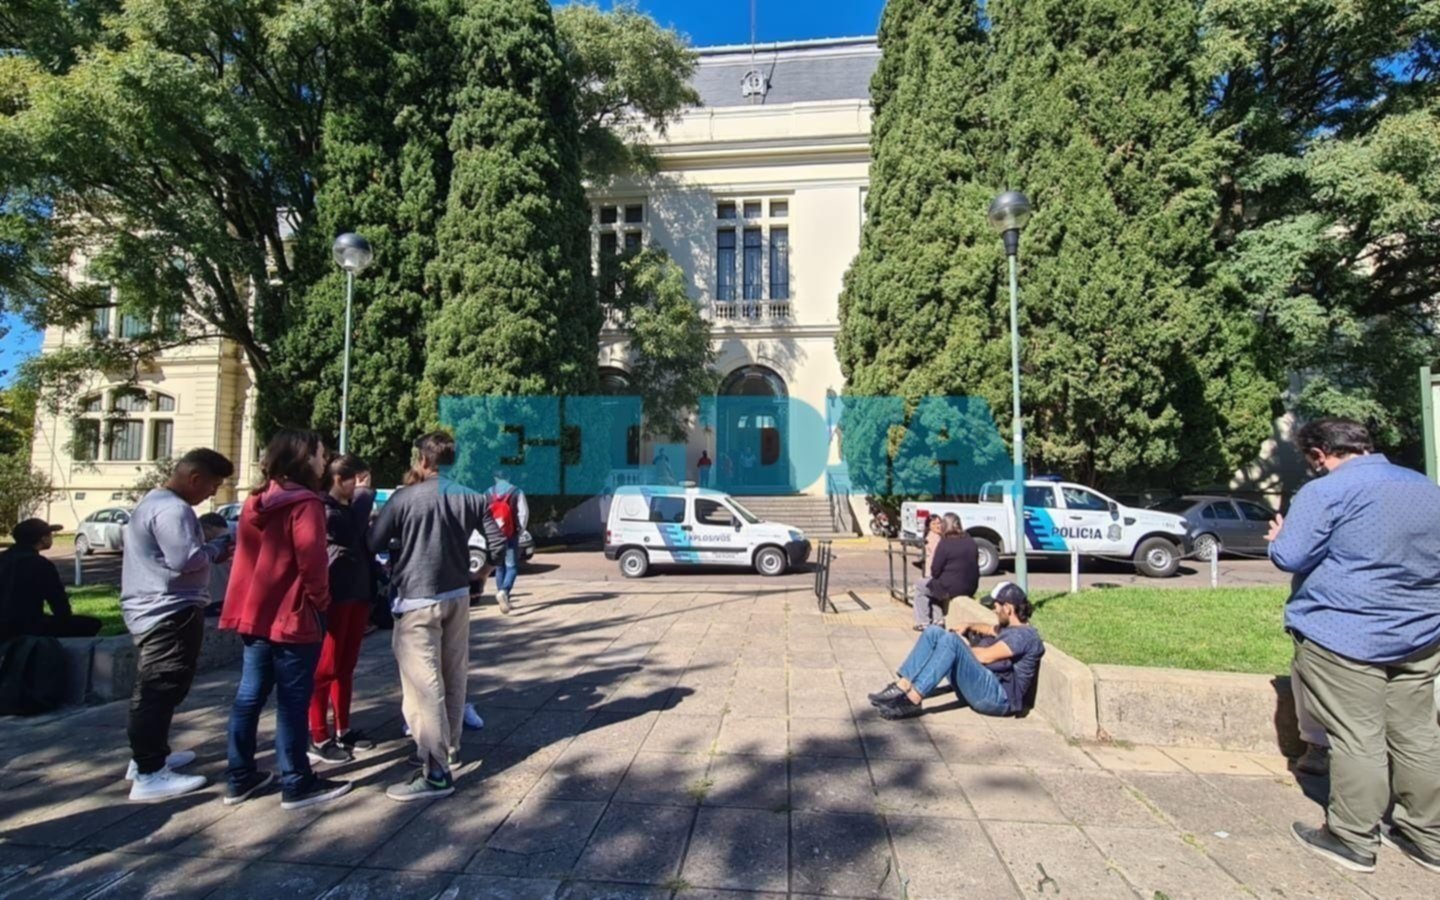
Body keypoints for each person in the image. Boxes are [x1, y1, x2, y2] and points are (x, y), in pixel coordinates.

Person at [1268, 417, 1440, 875]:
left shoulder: (1326, 492)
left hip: (1345, 634)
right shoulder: (1426, 488)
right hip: (1421, 633)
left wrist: (1280, 536)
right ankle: (1427, 837)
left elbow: (1290, 556)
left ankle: (1351, 838)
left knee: (1356, 735)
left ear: (1319, 455)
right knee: (1419, 734)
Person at [221, 429, 351, 811]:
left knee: (249, 696)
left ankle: (239, 776)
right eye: (320, 453)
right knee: (293, 701)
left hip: (254, 614)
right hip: (293, 616)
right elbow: (312, 563)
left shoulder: (255, 501)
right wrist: (321, 601)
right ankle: (296, 780)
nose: (324, 461)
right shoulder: (305, 503)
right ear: (303, 457)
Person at [371, 431, 504, 801]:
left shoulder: (403, 499)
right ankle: (452, 747)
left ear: (422, 460)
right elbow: (497, 544)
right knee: (453, 674)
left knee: (422, 687)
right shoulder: (471, 497)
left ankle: (435, 771)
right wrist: (479, 575)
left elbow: (375, 542)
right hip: (457, 596)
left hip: (416, 598)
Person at [120, 449, 235, 802]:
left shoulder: (154, 502)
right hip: (167, 609)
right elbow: (185, 559)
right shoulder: (174, 509)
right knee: (160, 686)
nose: (212, 494)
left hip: (157, 605)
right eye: (212, 485)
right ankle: (150, 771)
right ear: (194, 478)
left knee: (163, 687)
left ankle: (149, 755)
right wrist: (217, 548)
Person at [869, 581, 1044, 721]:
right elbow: (991, 629)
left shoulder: (1023, 637)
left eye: (996, 606)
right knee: (934, 632)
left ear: (1008, 608)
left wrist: (956, 650)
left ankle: (913, 699)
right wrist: (969, 625)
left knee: (951, 642)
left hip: (998, 698)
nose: (993, 610)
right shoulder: (1010, 627)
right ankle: (902, 686)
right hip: (984, 687)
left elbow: (985, 656)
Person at [307, 454, 377, 764]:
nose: (362, 487)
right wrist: (363, 496)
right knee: (326, 667)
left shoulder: (348, 509)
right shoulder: (325, 508)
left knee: (345, 666)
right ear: (339, 479)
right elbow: (347, 534)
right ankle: (318, 734)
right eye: (358, 481)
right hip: (337, 594)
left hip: (357, 591)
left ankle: (343, 728)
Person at [0, 518, 102, 639]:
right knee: (92, 625)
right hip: (27, 627)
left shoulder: (4, 559)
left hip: (4, 624)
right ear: (43, 538)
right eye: (50, 534)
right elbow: (58, 601)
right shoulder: (40, 564)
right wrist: (65, 621)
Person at [912, 513, 979, 631]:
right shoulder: (971, 542)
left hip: (950, 588)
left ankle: (923, 622)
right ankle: (939, 620)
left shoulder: (945, 543)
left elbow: (935, 570)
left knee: (920, 586)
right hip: (971, 586)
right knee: (933, 586)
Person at [484, 469, 528, 616]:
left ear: (495, 478)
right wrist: (520, 530)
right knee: (512, 567)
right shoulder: (517, 491)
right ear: (508, 477)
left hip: (494, 536)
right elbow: (523, 513)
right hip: (510, 535)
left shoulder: (488, 493)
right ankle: (505, 591)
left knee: (499, 567)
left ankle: (502, 596)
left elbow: (482, 514)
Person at [198, 513, 231, 617]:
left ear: (207, 528)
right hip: (234, 601)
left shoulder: (212, 549)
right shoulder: (240, 540)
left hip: (215, 602)